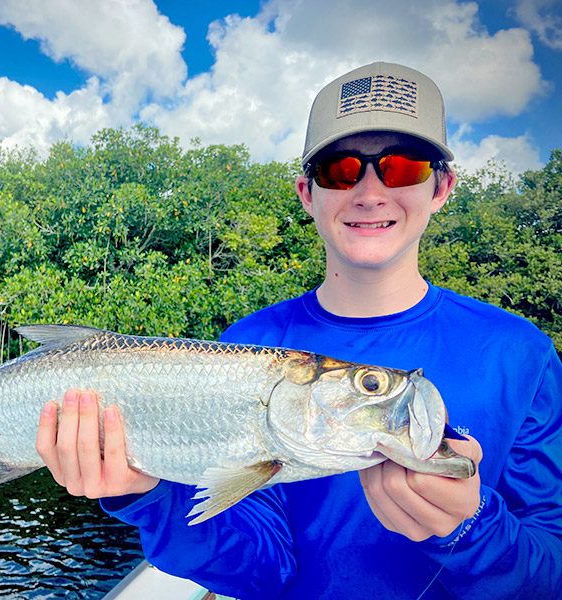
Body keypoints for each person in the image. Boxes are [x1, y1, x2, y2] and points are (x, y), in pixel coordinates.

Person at [35, 62, 562, 598]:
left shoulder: (522, 355)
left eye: (403, 167)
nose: (371, 192)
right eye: (341, 168)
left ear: (442, 187)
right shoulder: (247, 344)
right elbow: (263, 571)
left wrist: (472, 528)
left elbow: (553, 568)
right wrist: (144, 495)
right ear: (308, 192)